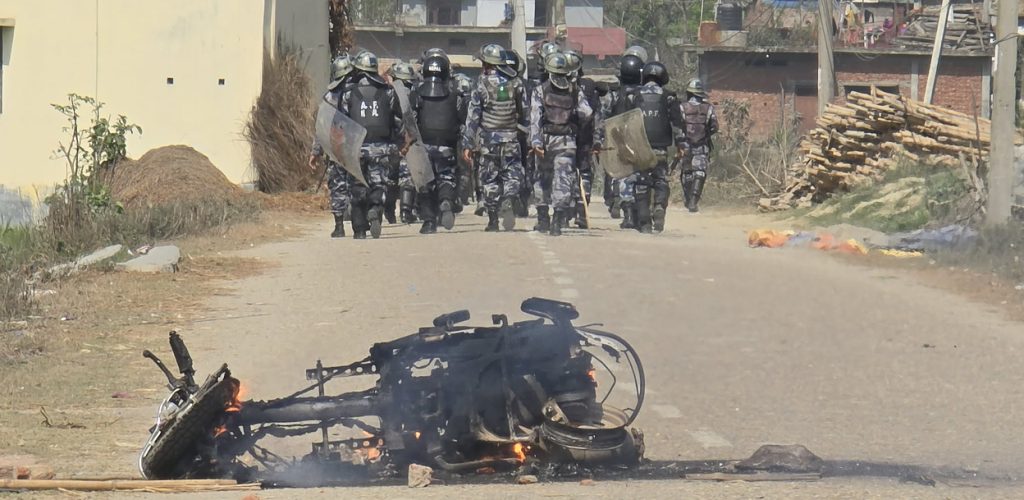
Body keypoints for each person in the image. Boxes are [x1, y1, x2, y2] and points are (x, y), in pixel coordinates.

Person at [340, 51, 407, 239]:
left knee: (357, 188)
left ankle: (359, 230)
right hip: (381, 147)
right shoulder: (388, 91)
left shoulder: (348, 92)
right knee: (378, 184)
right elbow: (398, 121)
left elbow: (342, 122)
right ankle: (375, 208)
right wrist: (399, 143)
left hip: (356, 149)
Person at [462, 43, 528, 232]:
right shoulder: (516, 83)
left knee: (489, 179)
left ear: (488, 64)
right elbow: (525, 111)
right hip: (511, 138)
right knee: (512, 174)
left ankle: (492, 220)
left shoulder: (480, 83)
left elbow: (473, 116)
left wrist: (468, 143)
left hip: (488, 141)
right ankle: (508, 199)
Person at [529, 52, 597, 236]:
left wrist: (535, 142)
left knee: (542, 179)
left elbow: (535, 118)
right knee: (563, 180)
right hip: (567, 142)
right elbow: (587, 113)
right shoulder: (575, 90)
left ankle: (543, 219)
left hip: (545, 141)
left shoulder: (540, 90)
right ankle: (557, 222)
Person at [409, 51, 468, 234]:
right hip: (447, 146)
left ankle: (429, 222)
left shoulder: (416, 93)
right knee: (446, 179)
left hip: (423, 147)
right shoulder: (456, 95)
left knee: (425, 184)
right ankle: (446, 201)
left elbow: (411, 120)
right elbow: (463, 120)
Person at [309, 54, 357, 238]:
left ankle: (339, 226)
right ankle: (360, 222)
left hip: (336, 147)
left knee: (338, 186)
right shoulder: (360, 93)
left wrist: (316, 151)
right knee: (357, 184)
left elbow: (322, 127)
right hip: (356, 147)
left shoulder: (329, 97)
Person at [632, 61, 683, 233]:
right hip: (660, 150)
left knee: (641, 183)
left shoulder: (634, 96)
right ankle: (659, 208)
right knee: (661, 180)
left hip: (640, 148)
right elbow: (677, 124)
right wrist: (681, 145)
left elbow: (624, 122)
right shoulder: (669, 97)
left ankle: (644, 222)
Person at [609, 49, 646, 229]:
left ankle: (628, 214)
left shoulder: (615, 94)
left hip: (620, 140)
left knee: (623, 176)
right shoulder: (644, 94)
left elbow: (605, 117)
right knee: (640, 175)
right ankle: (640, 213)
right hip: (641, 140)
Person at [678, 78, 718, 213]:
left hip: (685, 145)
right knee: (700, 172)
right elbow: (714, 127)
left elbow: (678, 126)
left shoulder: (682, 107)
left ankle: (688, 199)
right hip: (702, 145)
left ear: (689, 93)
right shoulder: (709, 108)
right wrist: (705, 135)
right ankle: (693, 202)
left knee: (687, 172)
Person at [389, 61, 420, 225]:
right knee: (408, 177)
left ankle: (389, 211)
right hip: (411, 141)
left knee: (390, 178)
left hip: (392, 141)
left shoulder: (389, 94)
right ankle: (406, 212)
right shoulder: (415, 95)